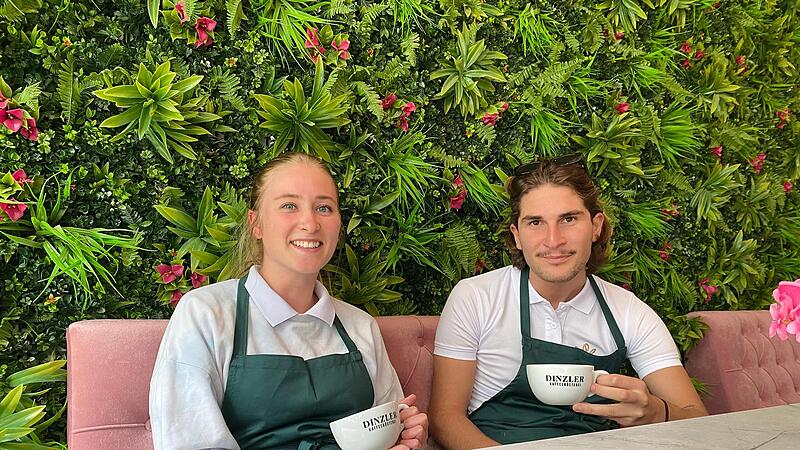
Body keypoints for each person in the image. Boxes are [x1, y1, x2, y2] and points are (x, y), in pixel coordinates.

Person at [149, 153, 428, 450]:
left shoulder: (360, 326)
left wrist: (408, 439)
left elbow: (387, 424)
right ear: (256, 224)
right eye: (289, 206)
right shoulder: (206, 313)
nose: (309, 223)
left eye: (324, 207)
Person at [429, 155, 707, 449]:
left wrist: (656, 412)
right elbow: (445, 419)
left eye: (569, 219)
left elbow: (699, 420)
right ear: (517, 235)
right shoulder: (476, 297)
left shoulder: (629, 312)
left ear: (596, 226)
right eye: (535, 222)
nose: (553, 240)